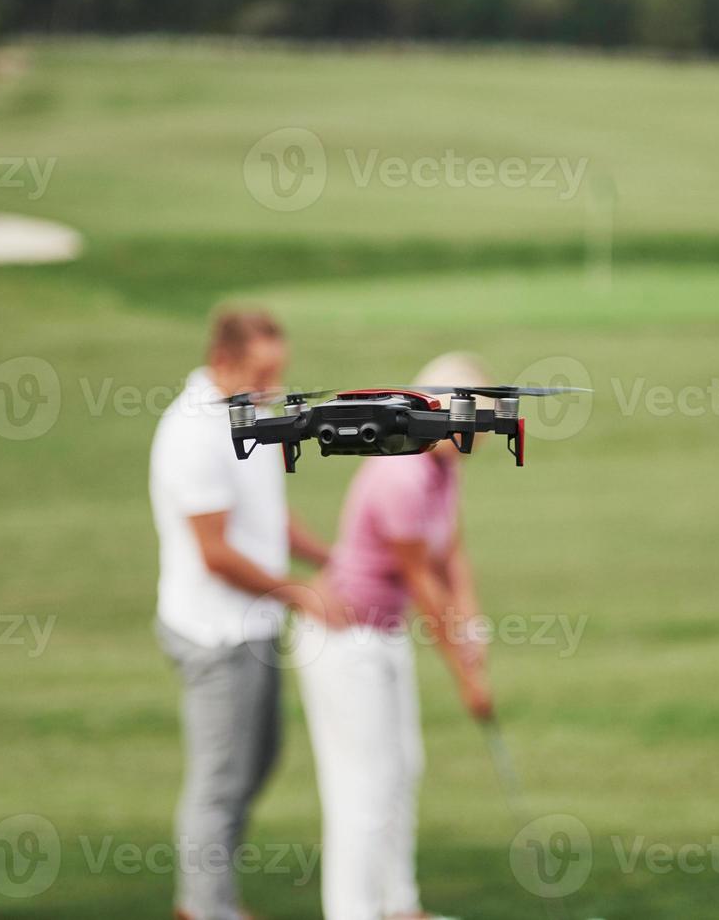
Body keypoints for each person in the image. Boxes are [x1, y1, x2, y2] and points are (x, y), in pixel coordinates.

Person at [149, 307, 338, 920]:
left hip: (252, 625)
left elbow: (266, 511)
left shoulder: (248, 414)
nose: (273, 387)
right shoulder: (193, 432)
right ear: (225, 361)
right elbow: (216, 552)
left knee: (258, 760)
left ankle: (205, 899)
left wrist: (328, 558)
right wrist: (299, 593)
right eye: (262, 373)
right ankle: (206, 909)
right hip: (215, 632)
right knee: (219, 784)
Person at [293, 352, 496, 920]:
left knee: (403, 768)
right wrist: (467, 678)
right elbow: (426, 590)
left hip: (382, 634)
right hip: (341, 641)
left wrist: (473, 628)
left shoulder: (442, 467)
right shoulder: (402, 473)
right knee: (361, 790)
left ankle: (400, 907)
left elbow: (451, 552)